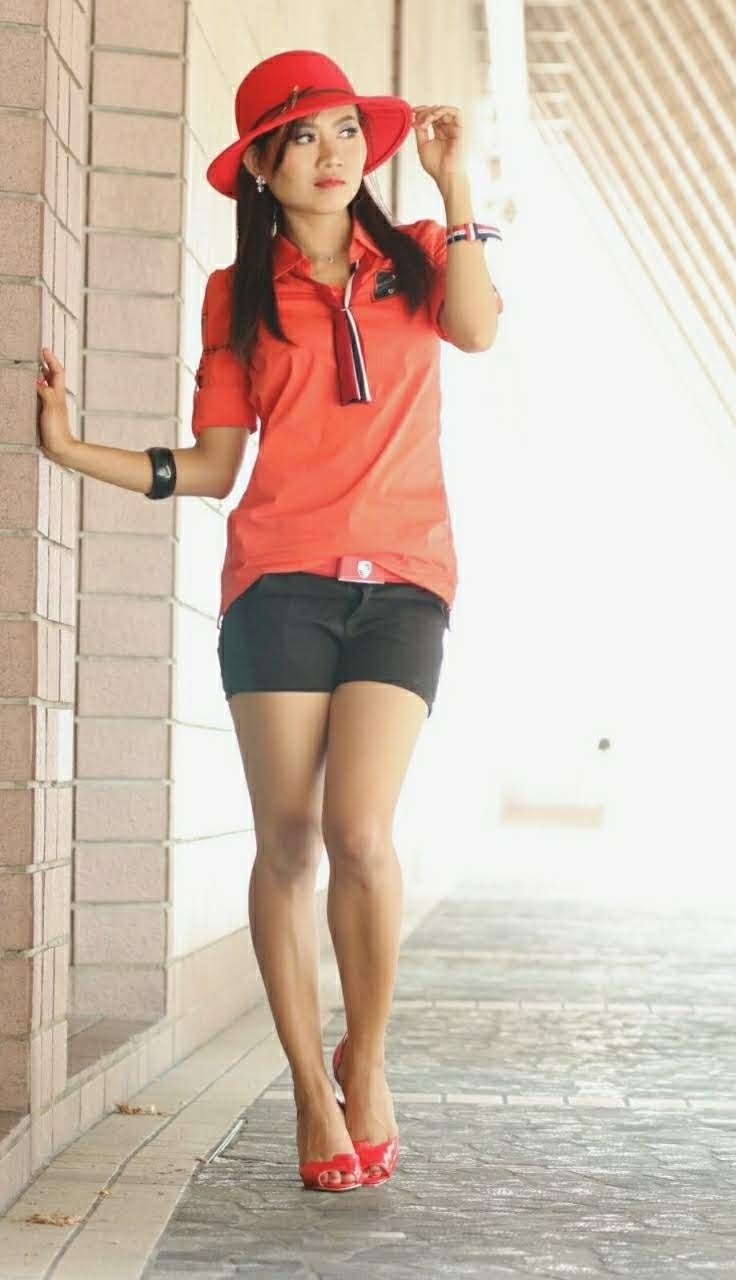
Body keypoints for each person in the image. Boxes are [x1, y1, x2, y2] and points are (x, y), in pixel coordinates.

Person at [36, 49, 502, 1193]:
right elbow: (211, 465)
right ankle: (306, 1084)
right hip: (279, 583)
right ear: (260, 165)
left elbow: (479, 330)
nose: (331, 153)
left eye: (345, 129)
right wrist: (72, 447)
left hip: (404, 579)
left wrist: (456, 185)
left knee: (360, 833)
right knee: (288, 841)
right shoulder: (236, 294)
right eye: (302, 136)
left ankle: (366, 1059)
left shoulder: (420, 258)